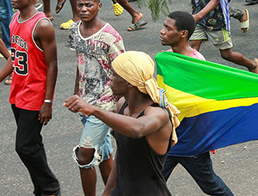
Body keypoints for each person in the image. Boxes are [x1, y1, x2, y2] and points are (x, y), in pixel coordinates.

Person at [0, 0, 60, 196]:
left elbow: (52, 65)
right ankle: (42, 189)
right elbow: (14, 56)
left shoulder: (42, 25)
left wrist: (47, 101)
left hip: (35, 95)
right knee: (32, 144)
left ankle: (50, 187)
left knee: (24, 146)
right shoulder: (15, 19)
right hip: (18, 92)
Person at [64, 51, 180, 196]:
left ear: (129, 82)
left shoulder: (158, 114)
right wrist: (107, 192)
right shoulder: (122, 105)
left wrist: (94, 110)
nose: (109, 79)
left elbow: (138, 128)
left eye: (114, 75)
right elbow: (122, 153)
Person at [158, 11, 235, 195]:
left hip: (192, 140)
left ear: (183, 33)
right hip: (168, 138)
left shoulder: (197, 63)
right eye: (164, 26)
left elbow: (203, 103)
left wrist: (207, 138)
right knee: (152, 181)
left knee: (211, 186)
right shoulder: (166, 58)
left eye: (168, 28)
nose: (162, 31)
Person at [68, 0, 124, 196]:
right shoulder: (75, 30)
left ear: (99, 6)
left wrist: (120, 105)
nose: (83, 9)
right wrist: (77, 93)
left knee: (85, 156)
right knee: (104, 154)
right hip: (84, 101)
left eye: (89, 5)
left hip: (105, 104)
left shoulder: (110, 37)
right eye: (80, 5)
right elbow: (80, 63)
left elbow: (123, 71)